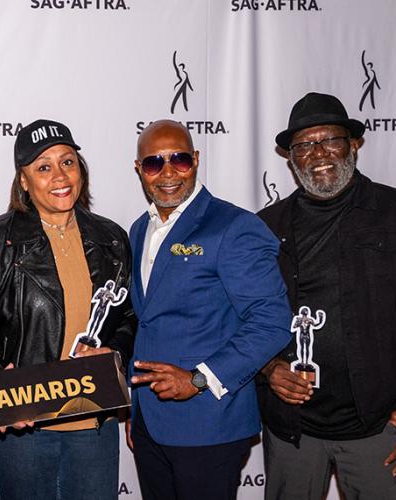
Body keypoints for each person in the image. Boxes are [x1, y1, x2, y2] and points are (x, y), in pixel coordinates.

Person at [0, 119, 136, 500]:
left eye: (68, 162)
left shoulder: (112, 238)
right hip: (24, 427)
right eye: (43, 167)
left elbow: (129, 318)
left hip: (95, 421)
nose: (59, 175)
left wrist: (117, 353)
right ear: (23, 181)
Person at [127, 120, 291, 500]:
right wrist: (137, 414)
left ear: (196, 160)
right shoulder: (139, 229)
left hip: (210, 423)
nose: (168, 173)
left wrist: (199, 379)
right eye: (154, 163)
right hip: (150, 423)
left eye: (179, 159)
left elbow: (272, 323)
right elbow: (147, 322)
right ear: (139, 170)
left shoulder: (234, 227)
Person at [257, 91, 396, 499]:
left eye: (331, 139)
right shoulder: (264, 228)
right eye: (304, 144)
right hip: (293, 429)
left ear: (353, 144)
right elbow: (241, 317)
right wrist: (269, 369)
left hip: (379, 426)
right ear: (291, 158)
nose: (319, 153)